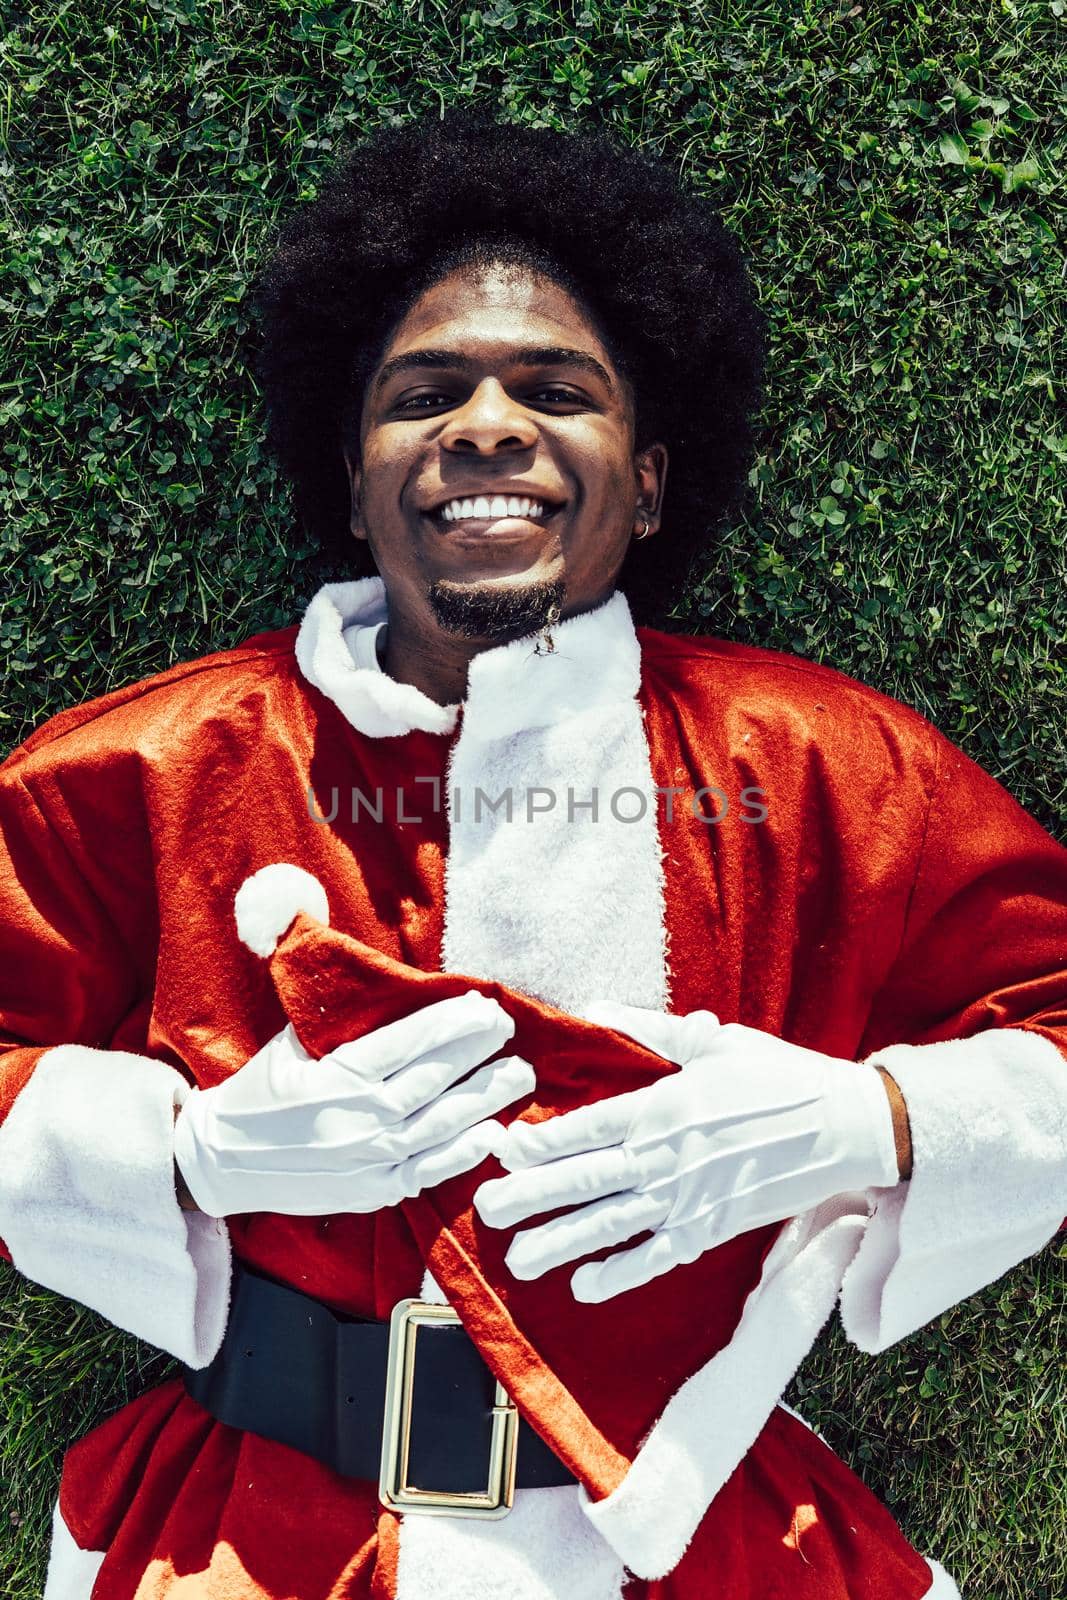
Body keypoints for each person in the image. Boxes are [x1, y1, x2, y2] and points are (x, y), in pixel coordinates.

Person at [0, 106, 1064, 1600]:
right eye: (424, 393)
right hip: (262, 1536)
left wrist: (873, 1124)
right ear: (354, 479)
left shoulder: (832, 770)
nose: (487, 425)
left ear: (646, 482)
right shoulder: (142, 771)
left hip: (707, 1542)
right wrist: (174, 1154)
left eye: (558, 390)